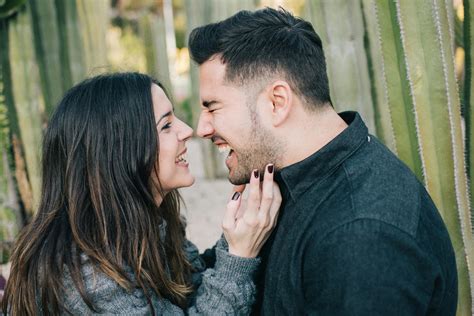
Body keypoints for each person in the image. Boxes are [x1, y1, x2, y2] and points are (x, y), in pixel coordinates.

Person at [188, 7, 458, 315]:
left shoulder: (361, 238)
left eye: (213, 107)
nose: (202, 128)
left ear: (277, 102)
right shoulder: (275, 184)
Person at [2, 72, 281, 315]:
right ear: (120, 152)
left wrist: (238, 235)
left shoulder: (142, 226)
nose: (187, 131)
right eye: (167, 125)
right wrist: (239, 255)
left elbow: (194, 286)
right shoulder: (87, 277)